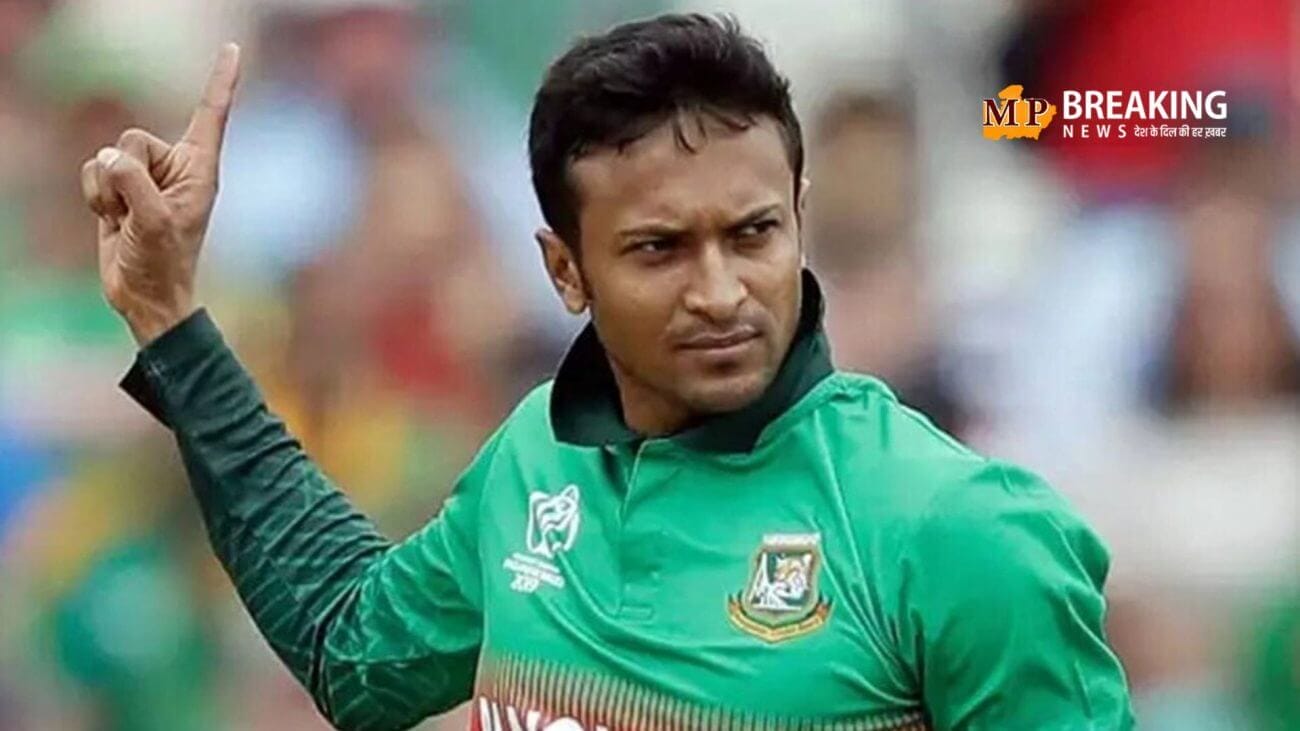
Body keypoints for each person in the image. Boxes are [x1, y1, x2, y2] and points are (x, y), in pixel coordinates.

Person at [78, 15, 1133, 731]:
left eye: (753, 233)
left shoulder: (955, 525)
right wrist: (169, 315)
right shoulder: (532, 461)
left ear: (798, 218)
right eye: (659, 249)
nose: (720, 290)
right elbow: (352, 649)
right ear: (564, 270)